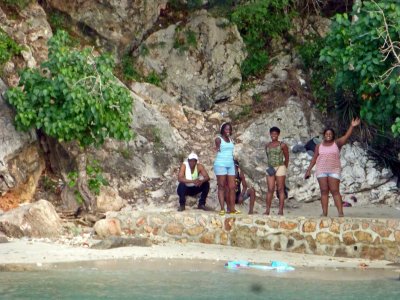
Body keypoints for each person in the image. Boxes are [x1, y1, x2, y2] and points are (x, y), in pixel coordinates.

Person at [304, 118, 360, 217]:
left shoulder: (337, 143)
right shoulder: (318, 146)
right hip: (321, 170)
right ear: (324, 135)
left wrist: (352, 126)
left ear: (333, 135)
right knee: (324, 191)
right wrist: (308, 170)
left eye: (330, 134)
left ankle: (340, 213)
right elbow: (314, 158)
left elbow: (346, 136)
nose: (328, 135)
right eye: (326, 134)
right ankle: (325, 213)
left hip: (334, 170)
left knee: (335, 191)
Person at [214, 122, 239, 216]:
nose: (228, 131)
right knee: (221, 186)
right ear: (222, 130)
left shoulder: (231, 139)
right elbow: (217, 148)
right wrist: (216, 148)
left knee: (232, 187)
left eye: (229, 129)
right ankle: (222, 208)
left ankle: (232, 208)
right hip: (220, 164)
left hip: (230, 164)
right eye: (226, 129)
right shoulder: (218, 139)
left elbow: (232, 153)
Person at [265, 127, 289, 215]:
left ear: (278, 134)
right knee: (270, 189)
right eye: (272, 133)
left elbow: (287, 157)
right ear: (270, 134)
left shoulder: (282, 145)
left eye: (275, 134)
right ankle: (267, 210)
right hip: (270, 167)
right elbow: (268, 156)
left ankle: (280, 210)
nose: (273, 135)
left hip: (280, 167)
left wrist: (285, 166)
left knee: (280, 189)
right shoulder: (267, 145)